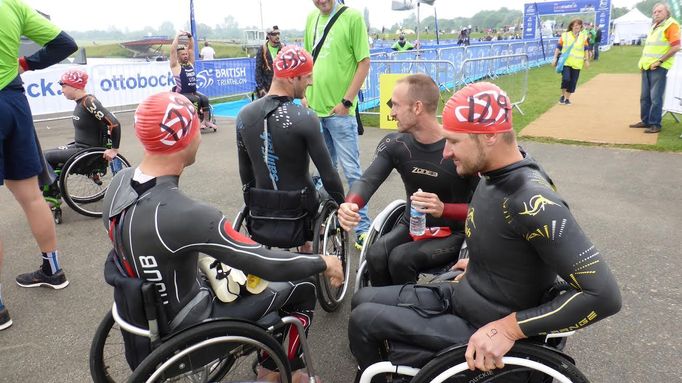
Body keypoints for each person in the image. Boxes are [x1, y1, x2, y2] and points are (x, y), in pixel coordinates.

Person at [348, 82, 622, 381]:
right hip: (466, 295)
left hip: (485, 323)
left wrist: (508, 328)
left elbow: (604, 295)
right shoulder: (492, 174)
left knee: (363, 320)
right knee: (362, 299)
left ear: (489, 135)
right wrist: (479, 261)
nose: (446, 153)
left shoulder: (532, 200)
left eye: (454, 141)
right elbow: (505, 237)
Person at [101, 91, 343, 382]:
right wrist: (323, 261)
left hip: (141, 326)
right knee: (302, 285)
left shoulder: (118, 183)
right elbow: (265, 262)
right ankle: (274, 370)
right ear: (187, 137)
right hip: (189, 334)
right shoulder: (185, 213)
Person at [337, 74, 477, 286]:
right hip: (411, 224)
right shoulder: (397, 145)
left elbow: (485, 208)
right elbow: (368, 180)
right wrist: (351, 204)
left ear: (417, 107)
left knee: (401, 259)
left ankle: (407, 314)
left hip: (453, 233)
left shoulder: (459, 149)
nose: (391, 113)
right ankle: (381, 311)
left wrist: (444, 209)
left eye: (395, 105)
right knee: (375, 254)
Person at [0, 0, 77, 331]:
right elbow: (65, 43)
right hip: (13, 101)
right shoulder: (11, 5)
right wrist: (27, 63)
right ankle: (52, 269)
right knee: (31, 194)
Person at [236, 45, 345, 246]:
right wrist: (343, 205)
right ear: (291, 78)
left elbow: (245, 170)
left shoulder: (244, 115)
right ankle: (307, 252)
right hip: (300, 209)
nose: (311, 82)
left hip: (262, 207)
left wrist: (252, 203)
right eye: (307, 77)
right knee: (320, 186)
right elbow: (329, 174)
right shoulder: (306, 118)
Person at [304, 0, 371, 249]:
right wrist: (305, 95)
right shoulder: (311, 18)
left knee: (352, 171)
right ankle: (325, 218)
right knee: (324, 171)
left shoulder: (352, 18)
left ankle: (363, 228)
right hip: (315, 109)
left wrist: (346, 101)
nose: (321, 1)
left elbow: (364, 62)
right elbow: (309, 59)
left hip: (340, 112)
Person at [42, 68, 121, 202]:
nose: (62, 90)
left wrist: (114, 149)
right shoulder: (82, 102)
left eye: (64, 86)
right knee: (43, 154)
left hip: (85, 151)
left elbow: (114, 124)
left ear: (75, 86)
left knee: (45, 156)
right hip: (80, 147)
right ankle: (51, 190)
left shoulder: (88, 102)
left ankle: (52, 195)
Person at [629, 3, 680, 134]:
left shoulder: (671, 25)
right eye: (654, 12)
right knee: (644, 97)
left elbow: (676, 46)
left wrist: (660, 61)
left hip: (658, 67)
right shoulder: (655, 26)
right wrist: (643, 64)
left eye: (659, 11)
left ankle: (655, 124)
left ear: (667, 12)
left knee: (655, 97)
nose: (656, 14)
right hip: (646, 66)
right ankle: (645, 121)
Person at [169, 31, 217, 130]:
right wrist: (177, 36)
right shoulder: (175, 66)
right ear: (178, 57)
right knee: (196, 99)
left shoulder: (190, 63)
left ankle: (206, 121)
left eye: (186, 54)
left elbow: (191, 48)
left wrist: (190, 38)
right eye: (183, 54)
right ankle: (197, 122)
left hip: (192, 92)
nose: (186, 56)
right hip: (181, 94)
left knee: (204, 98)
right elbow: (173, 50)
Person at [552, 18, 590, 105]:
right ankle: (562, 95)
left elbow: (586, 49)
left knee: (573, 82)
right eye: (575, 25)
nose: (577, 26)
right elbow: (558, 47)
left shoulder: (583, 36)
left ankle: (567, 99)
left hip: (577, 63)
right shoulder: (565, 35)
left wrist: (586, 60)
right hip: (566, 62)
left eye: (579, 25)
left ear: (581, 27)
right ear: (572, 26)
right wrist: (554, 58)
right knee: (566, 79)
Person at [255, 25, 284, 98]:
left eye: (278, 33)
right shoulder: (262, 49)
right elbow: (258, 70)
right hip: (267, 89)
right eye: (274, 34)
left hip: (282, 88)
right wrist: (261, 88)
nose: (277, 36)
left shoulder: (283, 48)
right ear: (268, 35)